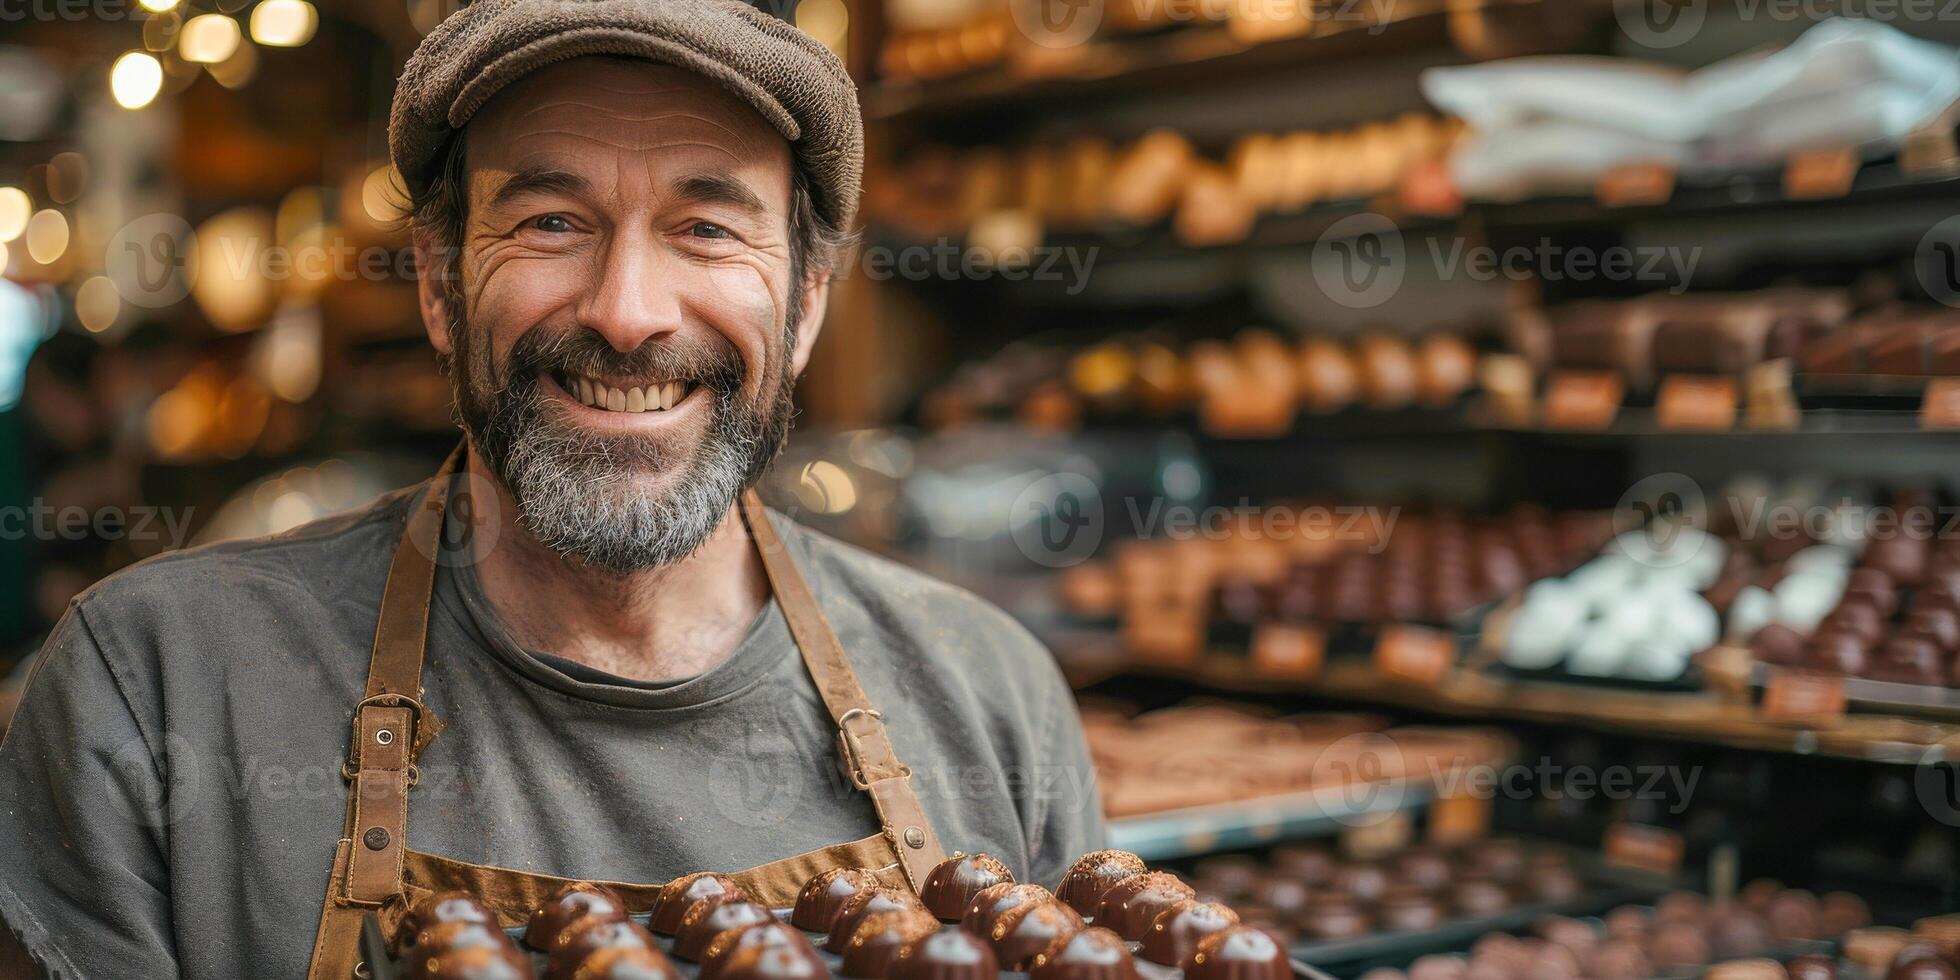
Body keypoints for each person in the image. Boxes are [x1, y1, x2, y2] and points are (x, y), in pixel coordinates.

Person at [0, 3, 1105, 976]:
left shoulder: (989, 697)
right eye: (550, 221)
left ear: (805, 306)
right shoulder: (155, 689)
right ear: (440, 286)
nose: (627, 313)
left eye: (707, 227)